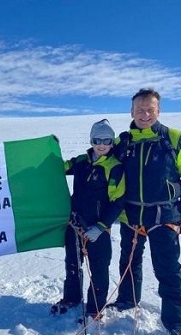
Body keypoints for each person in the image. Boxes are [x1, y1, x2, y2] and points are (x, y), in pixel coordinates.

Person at [110, 88, 181, 335]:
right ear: (131, 112)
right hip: (131, 215)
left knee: (168, 269)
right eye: (140, 110)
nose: (145, 114)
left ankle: (177, 325)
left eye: (150, 109)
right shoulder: (123, 142)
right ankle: (127, 300)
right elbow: (102, 164)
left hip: (165, 216)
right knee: (128, 262)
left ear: (158, 111)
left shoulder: (175, 139)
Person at [51, 119, 125, 320]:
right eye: (97, 139)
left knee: (99, 268)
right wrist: (51, 150)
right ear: (91, 140)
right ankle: (71, 298)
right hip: (74, 224)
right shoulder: (81, 161)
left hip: (98, 228)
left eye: (107, 140)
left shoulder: (114, 167)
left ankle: (95, 310)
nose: (102, 144)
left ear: (112, 142)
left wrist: (101, 226)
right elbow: (59, 168)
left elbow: (118, 201)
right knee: (73, 263)